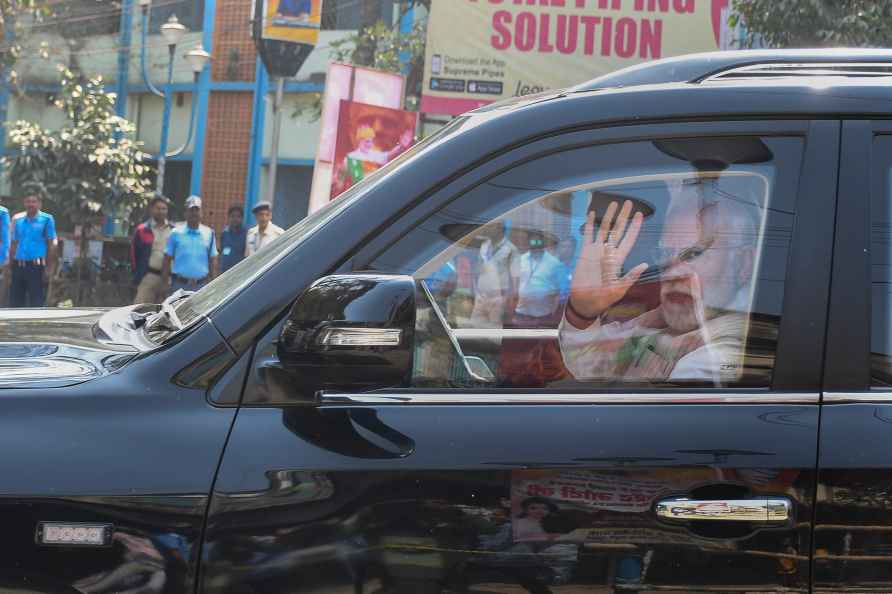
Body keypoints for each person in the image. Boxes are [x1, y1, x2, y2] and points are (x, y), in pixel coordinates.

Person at [560, 185, 758, 385]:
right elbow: (589, 365)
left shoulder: (726, 350)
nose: (671, 272)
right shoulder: (659, 321)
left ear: (743, 264)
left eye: (694, 254)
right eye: (664, 254)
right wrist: (582, 312)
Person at [8, 191, 56, 307]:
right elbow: (13, 243)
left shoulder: (47, 219)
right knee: (15, 301)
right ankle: (16, 325)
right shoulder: (18, 220)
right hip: (18, 265)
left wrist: (50, 267)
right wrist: (9, 266)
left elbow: (51, 244)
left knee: (36, 301)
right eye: (28, 201)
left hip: (36, 266)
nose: (31, 204)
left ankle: (35, 325)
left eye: (34, 202)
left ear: (39, 204)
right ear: (24, 203)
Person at [162, 195, 218, 294]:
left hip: (201, 286)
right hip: (179, 286)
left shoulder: (209, 233)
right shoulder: (175, 233)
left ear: (202, 213)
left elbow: (213, 260)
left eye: (197, 210)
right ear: (185, 213)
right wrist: (165, 284)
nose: (194, 213)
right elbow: (167, 259)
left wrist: (214, 284)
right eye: (191, 210)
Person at [470, 222, 519, 328]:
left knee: (493, 334)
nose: (486, 229)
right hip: (481, 297)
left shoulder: (510, 249)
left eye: (490, 226)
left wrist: (509, 301)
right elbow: (478, 269)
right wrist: (475, 292)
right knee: (474, 330)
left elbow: (515, 277)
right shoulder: (484, 245)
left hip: (498, 299)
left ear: (499, 228)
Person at [514, 231, 566, 327]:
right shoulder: (521, 260)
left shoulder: (554, 263)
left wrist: (553, 313)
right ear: (528, 243)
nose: (536, 245)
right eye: (533, 242)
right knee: (520, 341)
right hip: (522, 312)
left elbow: (559, 291)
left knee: (541, 341)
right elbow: (515, 284)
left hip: (544, 315)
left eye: (539, 242)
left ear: (543, 242)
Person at [131, 195, 173, 304]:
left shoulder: (174, 230)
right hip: (148, 277)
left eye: (164, 209)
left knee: (166, 313)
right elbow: (134, 255)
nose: (161, 211)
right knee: (140, 310)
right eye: (158, 208)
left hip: (169, 279)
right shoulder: (142, 230)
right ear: (151, 209)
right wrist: (138, 276)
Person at [219, 204, 247, 273]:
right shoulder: (224, 233)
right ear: (228, 218)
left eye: (238, 216)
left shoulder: (246, 234)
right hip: (224, 273)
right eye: (232, 216)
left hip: (239, 273)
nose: (235, 219)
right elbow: (221, 251)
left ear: (242, 218)